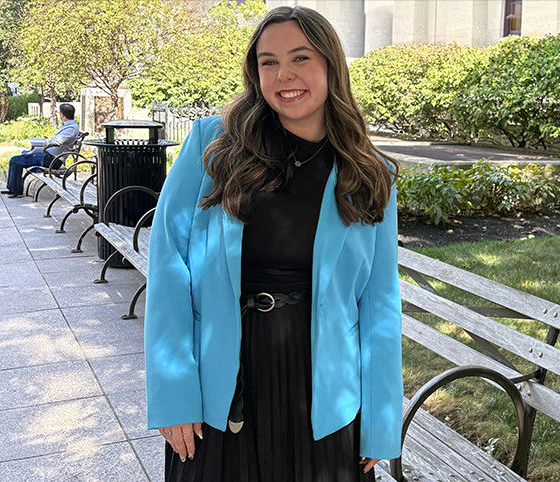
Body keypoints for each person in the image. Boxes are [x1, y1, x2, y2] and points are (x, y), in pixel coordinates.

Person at [144, 6, 402, 481]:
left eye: (300, 58)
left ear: (329, 65)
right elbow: (169, 265)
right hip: (219, 382)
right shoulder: (213, 146)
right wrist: (173, 391)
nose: (284, 75)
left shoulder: (368, 174)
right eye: (268, 62)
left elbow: (380, 302)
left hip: (323, 390)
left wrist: (381, 423)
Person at [1, 103, 79, 198]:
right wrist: (44, 141)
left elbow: (57, 141)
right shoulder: (68, 126)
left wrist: (45, 142)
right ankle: (14, 189)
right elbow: (55, 140)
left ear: (62, 115)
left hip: (52, 160)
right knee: (23, 154)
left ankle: (15, 190)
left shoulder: (71, 129)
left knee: (15, 160)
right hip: (48, 156)